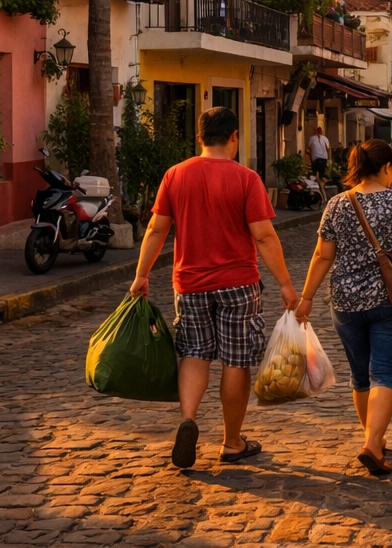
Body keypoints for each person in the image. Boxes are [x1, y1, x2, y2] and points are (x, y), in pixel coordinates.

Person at [128, 106, 298, 469]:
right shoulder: (246, 179)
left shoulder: (175, 175)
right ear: (234, 137)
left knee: (194, 353)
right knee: (235, 361)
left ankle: (189, 419)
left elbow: (157, 229)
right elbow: (264, 236)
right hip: (238, 284)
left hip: (189, 284)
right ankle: (232, 443)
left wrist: (142, 274)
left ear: (199, 138)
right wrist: (286, 284)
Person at [295, 140, 392, 476]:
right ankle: (372, 444)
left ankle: (373, 440)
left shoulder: (337, 203)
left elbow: (322, 255)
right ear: (387, 168)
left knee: (360, 375)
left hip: (345, 303)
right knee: (386, 374)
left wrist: (306, 297)